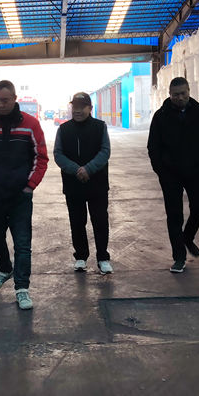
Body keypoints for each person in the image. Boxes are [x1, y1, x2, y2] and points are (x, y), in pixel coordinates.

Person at [0, 80, 48, 310]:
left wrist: (29, 186)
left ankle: (22, 288)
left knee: (22, 244)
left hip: (20, 197)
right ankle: (5, 269)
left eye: (5, 100)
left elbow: (41, 158)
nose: (1, 104)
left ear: (15, 98)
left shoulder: (31, 125)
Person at [147, 76, 199, 273]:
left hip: (196, 171)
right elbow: (153, 145)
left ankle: (188, 237)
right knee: (174, 215)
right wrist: (160, 170)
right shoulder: (161, 116)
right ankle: (179, 257)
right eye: (176, 95)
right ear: (169, 95)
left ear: (189, 92)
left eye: (183, 94)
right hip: (170, 174)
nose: (180, 98)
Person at [54, 92, 112, 274]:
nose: (77, 111)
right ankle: (80, 257)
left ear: (90, 108)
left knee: (100, 221)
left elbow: (105, 151)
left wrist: (88, 169)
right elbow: (58, 154)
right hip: (73, 185)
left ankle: (103, 258)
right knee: (77, 222)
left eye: (82, 107)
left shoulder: (100, 127)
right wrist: (76, 169)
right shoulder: (64, 129)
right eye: (75, 107)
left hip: (97, 184)